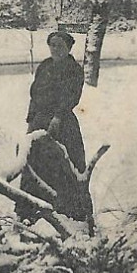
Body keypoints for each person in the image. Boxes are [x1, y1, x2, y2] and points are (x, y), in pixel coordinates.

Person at [24, 29, 91, 221]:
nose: (55, 49)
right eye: (52, 45)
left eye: (60, 45)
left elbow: (71, 96)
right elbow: (34, 94)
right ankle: (32, 213)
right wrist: (30, 120)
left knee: (65, 165)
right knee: (35, 165)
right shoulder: (44, 66)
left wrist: (58, 117)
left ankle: (69, 212)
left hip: (62, 124)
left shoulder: (73, 69)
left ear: (68, 48)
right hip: (39, 121)